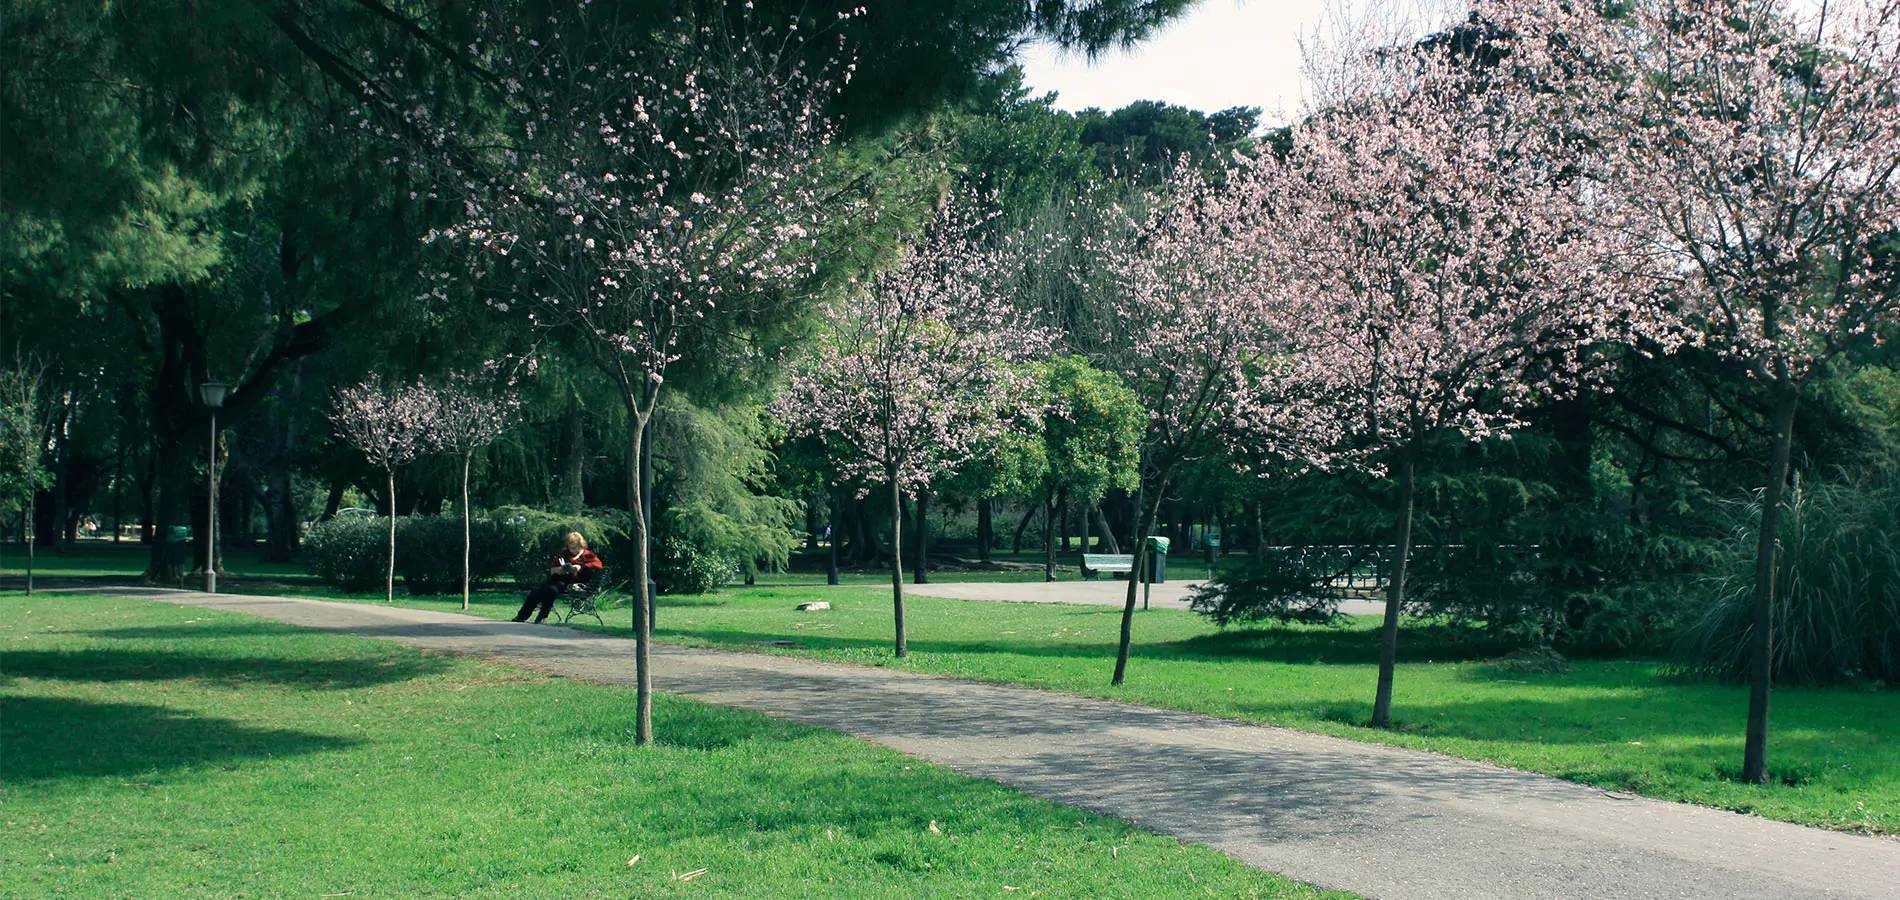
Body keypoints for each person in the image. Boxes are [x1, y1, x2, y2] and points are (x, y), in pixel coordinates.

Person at [513, 531, 603, 623]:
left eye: (575, 548)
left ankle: (541, 616)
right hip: (558, 578)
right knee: (536, 592)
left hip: (571, 583)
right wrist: (561, 569)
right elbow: (553, 569)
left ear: (581, 545)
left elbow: (598, 564)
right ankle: (522, 616)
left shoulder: (587, 555)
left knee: (551, 590)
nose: (572, 550)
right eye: (570, 548)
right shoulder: (565, 553)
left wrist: (580, 567)